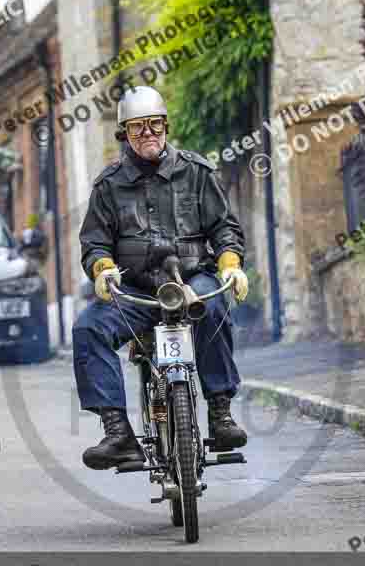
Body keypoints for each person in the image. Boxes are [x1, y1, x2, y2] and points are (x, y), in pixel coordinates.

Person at [73, 86, 250, 470]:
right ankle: (118, 432)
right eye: (137, 128)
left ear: (166, 126)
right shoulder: (109, 185)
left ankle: (220, 415)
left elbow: (224, 228)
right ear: (125, 134)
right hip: (135, 293)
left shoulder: (197, 172)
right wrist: (103, 269)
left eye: (154, 125)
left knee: (215, 305)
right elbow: (94, 242)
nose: (148, 133)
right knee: (88, 328)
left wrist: (231, 262)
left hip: (191, 281)